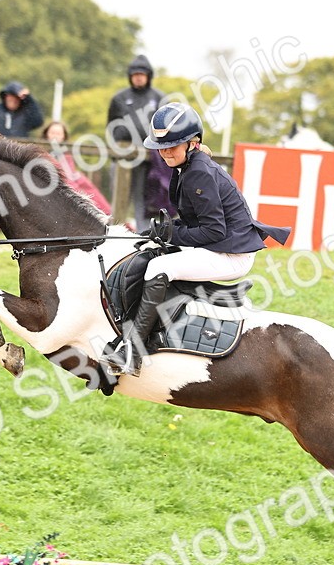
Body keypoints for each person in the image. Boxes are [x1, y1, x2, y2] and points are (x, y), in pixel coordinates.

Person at [100, 103, 291, 377]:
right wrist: (159, 231)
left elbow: (213, 231)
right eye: (161, 146)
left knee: (159, 268)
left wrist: (170, 233)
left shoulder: (198, 172)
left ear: (193, 142)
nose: (165, 152)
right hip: (221, 247)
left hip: (231, 255)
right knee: (152, 255)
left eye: (172, 145)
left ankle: (133, 351)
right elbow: (194, 221)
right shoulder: (187, 167)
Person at [106, 54, 166, 228]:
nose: (138, 77)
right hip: (124, 156)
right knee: (120, 196)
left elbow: (166, 126)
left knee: (144, 198)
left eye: (142, 74)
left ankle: (145, 234)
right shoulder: (120, 98)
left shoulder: (159, 98)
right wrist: (123, 136)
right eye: (135, 74)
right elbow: (111, 126)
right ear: (130, 76)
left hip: (150, 160)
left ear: (148, 76)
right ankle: (115, 231)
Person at [40, 120, 111, 215]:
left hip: (70, 183)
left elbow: (69, 174)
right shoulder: (40, 152)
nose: (55, 136)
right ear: (47, 134)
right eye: (52, 133)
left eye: (58, 133)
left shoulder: (67, 154)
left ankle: (109, 214)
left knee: (92, 193)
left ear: (63, 136)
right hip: (51, 185)